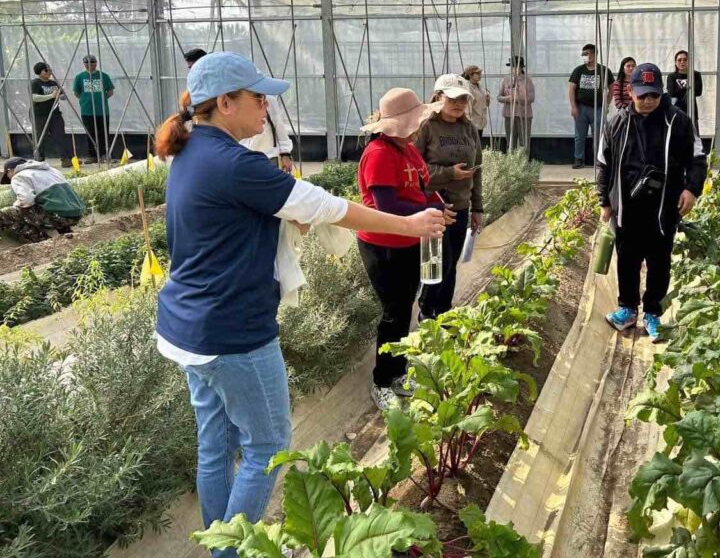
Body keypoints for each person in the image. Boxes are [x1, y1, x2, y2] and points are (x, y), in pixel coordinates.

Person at [153, 53, 444, 553]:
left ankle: (222, 543)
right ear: (225, 103)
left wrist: (280, 219)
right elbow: (323, 205)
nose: (267, 106)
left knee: (216, 445)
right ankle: (233, 550)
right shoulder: (234, 161)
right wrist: (411, 226)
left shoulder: (191, 151)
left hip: (185, 327)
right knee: (267, 444)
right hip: (232, 332)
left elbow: (231, 219)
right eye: (258, 97)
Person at [356, 87, 456, 411]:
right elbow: (386, 207)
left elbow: (420, 191)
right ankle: (382, 381)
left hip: (412, 239)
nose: (417, 129)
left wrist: (439, 206)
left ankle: (398, 373)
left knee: (404, 310)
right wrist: (427, 214)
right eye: (413, 123)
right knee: (394, 313)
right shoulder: (379, 154)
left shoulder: (407, 150)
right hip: (384, 245)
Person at [596, 63, 700, 343]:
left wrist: (691, 189)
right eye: (642, 95)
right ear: (630, 91)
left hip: (663, 208)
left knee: (659, 261)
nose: (647, 100)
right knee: (627, 259)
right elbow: (603, 163)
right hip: (626, 208)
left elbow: (697, 158)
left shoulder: (677, 122)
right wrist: (604, 199)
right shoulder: (616, 122)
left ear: (660, 93)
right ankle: (627, 308)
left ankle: (653, 312)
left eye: (653, 95)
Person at [417, 74, 484, 321]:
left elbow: (478, 170)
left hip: (460, 205)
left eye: (463, 99)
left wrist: (478, 208)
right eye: (452, 98)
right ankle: (426, 311)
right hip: (433, 206)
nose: (458, 104)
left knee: (451, 263)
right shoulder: (426, 127)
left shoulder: (469, 129)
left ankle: (444, 311)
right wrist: (448, 173)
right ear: (438, 97)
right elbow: (415, 168)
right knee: (435, 262)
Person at [184, 49, 295, 172]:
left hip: (267, 155)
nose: (265, 104)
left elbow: (278, 125)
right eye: (258, 96)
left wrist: (285, 153)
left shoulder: (196, 154)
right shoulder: (231, 164)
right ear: (225, 104)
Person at [0, 157, 86, 242]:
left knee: (7, 213)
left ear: (10, 170)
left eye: (7, 176)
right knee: (49, 203)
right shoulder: (51, 170)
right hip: (77, 213)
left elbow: (26, 200)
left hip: (57, 216)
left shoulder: (18, 176)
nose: (9, 179)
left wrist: (16, 206)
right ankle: (66, 233)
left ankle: (43, 241)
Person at [569, 43, 614, 169]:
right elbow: (571, 88)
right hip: (581, 108)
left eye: (586, 54)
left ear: (594, 55)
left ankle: (598, 160)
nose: (584, 56)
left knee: (599, 135)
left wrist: (607, 104)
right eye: (583, 54)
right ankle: (578, 158)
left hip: (598, 108)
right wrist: (573, 106)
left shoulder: (604, 70)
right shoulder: (578, 70)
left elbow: (612, 88)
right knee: (579, 135)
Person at [72, 54, 114, 163]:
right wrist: (85, 100)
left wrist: (100, 99)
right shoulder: (80, 77)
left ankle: (104, 154)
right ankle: (92, 155)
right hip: (87, 111)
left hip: (102, 110)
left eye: (92, 62)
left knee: (103, 132)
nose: (89, 64)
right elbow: (76, 93)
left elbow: (110, 92)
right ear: (84, 64)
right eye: (86, 62)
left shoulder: (103, 76)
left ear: (96, 63)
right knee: (90, 133)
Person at [30, 62, 71, 167]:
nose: (49, 72)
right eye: (46, 70)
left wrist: (61, 95)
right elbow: (34, 97)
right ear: (40, 72)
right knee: (40, 137)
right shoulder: (35, 83)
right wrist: (51, 96)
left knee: (60, 135)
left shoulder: (53, 83)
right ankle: (39, 160)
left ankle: (65, 159)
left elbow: (63, 96)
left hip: (55, 114)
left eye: (50, 69)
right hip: (39, 115)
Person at [498, 55, 535, 153]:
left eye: (517, 66)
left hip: (524, 115)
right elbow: (499, 97)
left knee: (524, 141)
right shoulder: (506, 79)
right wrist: (508, 99)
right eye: (513, 67)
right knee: (510, 141)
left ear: (522, 67)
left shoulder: (527, 80)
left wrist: (519, 99)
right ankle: (511, 163)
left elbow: (531, 98)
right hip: (509, 114)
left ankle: (524, 162)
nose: (515, 69)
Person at [666, 50, 703, 136]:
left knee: (694, 135)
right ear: (675, 62)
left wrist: (680, 89)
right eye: (679, 60)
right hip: (677, 110)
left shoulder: (696, 75)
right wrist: (688, 88)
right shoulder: (672, 76)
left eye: (685, 60)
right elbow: (671, 93)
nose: (682, 62)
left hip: (692, 110)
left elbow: (698, 91)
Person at [462, 65, 490, 144]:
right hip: (472, 123)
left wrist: (487, 98)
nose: (480, 75)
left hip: (480, 121)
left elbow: (483, 103)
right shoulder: (468, 87)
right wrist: (468, 122)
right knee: (473, 144)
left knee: (478, 144)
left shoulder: (479, 86)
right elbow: (468, 107)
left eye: (480, 73)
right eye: (477, 73)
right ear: (471, 74)